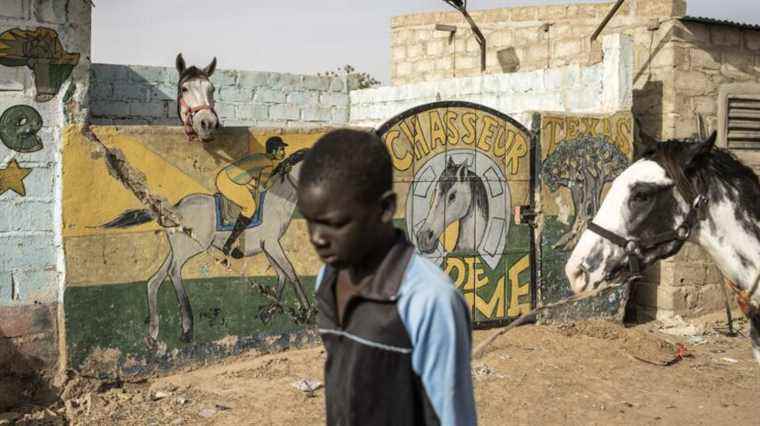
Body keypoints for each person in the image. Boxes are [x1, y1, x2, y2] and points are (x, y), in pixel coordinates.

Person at [297, 128, 477, 426]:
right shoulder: (327, 280)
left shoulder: (429, 301)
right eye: (309, 220)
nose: (317, 238)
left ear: (385, 208)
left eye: (335, 223)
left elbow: (453, 417)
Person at [216, 136, 287, 259]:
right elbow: (262, 188)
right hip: (228, 181)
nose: (283, 152)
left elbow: (257, 181)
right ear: (274, 151)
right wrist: (279, 173)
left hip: (230, 177)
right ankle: (229, 243)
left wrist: (276, 171)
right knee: (250, 207)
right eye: (281, 149)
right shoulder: (268, 164)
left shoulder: (262, 157)